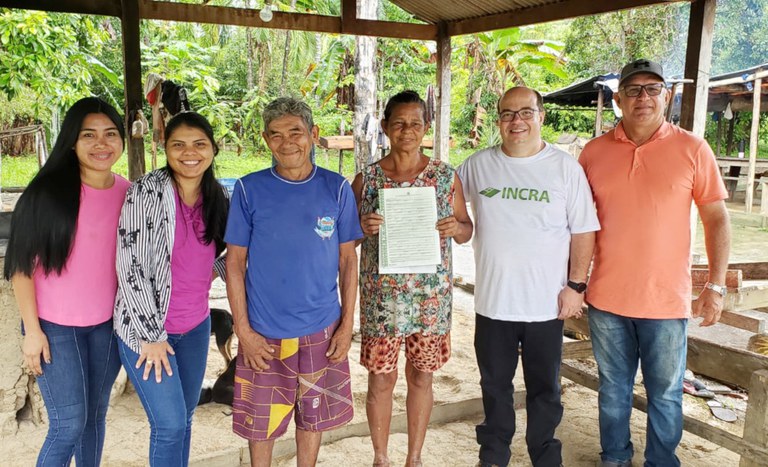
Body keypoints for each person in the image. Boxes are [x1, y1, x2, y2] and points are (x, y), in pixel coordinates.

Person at [579, 59, 731, 467]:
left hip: (665, 301)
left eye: (652, 89)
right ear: (618, 99)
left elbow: (716, 217)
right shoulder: (592, 153)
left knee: (665, 392)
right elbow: (575, 225)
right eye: (632, 90)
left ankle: (661, 462)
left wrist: (715, 286)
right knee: (613, 388)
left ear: (667, 96)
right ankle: (615, 458)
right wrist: (573, 284)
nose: (642, 97)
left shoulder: (693, 149)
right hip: (606, 298)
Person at [457, 86, 600, 467]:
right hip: (493, 303)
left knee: (545, 391)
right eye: (507, 113)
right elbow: (448, 202)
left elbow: (584, 230)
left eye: (525, 112)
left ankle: (545, 457)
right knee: (495, 388)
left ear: (541, 117)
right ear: (498, 119)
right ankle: (493, 457)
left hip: (546, 305)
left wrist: (575, 286)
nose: (516, 121)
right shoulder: (477, 165)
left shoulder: (564, 168)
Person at [225, 97, 362, 467]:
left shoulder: (336, 188)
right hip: (264, 334)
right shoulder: (248, 189)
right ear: (266, 140)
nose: (287, 142)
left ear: (313, 135)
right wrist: (244, 331)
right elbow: (235, 264)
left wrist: (347, 325)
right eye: (276, 134)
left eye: (296, 132)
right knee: (261, 425)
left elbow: (348, 261)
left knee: (313, 417)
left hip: (322, 329)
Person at [4, 97, 129, 466]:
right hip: (56, 330)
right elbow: (20, 267)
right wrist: (32, 330)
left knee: (94, 418)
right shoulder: (46, 194)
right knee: (67, 423)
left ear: (122, 140)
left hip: (107, 328)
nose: (101, 143)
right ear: (71, 141)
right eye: (88, 134)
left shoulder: (128, 193)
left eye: (110, 134)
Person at [351, 90, 473, 467]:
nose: (407, 130)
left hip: (429, 300)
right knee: (381, 380)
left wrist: (456, 226)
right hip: (382, 301)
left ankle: (415, 458)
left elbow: (467, 230)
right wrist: (362, 226)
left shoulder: (444, 176)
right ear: (386, 126)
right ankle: (381, 457)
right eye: (399, 123)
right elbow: (348, 238)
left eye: (415, 123)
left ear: (426, 128)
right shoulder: (367, 179)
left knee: (422, 376)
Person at [113, 111, 229, 467]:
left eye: (199, 144)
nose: (189, 152)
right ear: (165, 148)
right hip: (146, 332)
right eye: (178, 144)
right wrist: (151, 337)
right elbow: (129, 265)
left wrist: (209, 273)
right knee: (170, 424)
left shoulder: (218, 195)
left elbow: (230, 252)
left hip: (194, 326)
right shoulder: (146, 192)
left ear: (213, 149)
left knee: (186, 417)